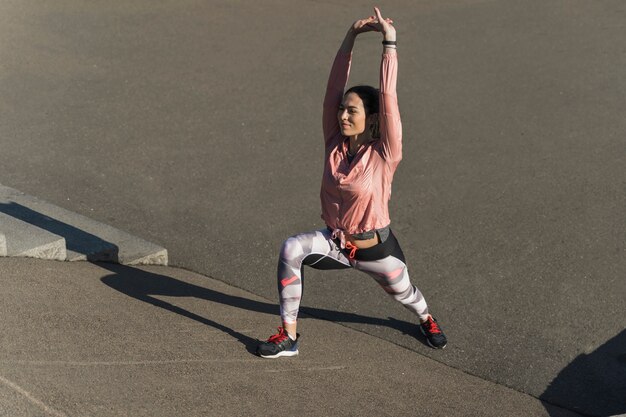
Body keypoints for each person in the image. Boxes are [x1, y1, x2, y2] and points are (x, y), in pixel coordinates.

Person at [257, 7, 447, 358]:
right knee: (291, 249)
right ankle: (288, 336)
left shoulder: (386, 152)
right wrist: (350, 37)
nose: (343, 115)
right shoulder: (334, 141)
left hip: (375, 248)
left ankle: (426, 318)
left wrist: (390, 43)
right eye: (342, 109)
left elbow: (388, 100)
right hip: (334, 242)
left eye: (352, 111)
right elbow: (332, 90)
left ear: (371, 118)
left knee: (404, 293)